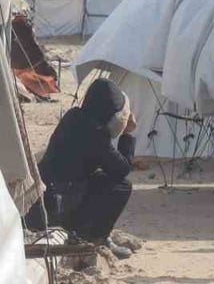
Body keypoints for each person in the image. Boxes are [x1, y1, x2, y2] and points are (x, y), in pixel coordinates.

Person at [34, 77, 137, 260]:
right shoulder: (95, 135)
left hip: (46, 193)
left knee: (101, 179)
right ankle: (94, 238)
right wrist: (128, 135)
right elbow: (121, 169)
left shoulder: (74, 116)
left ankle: (86, 232)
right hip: (58, 201)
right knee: (121, 186)